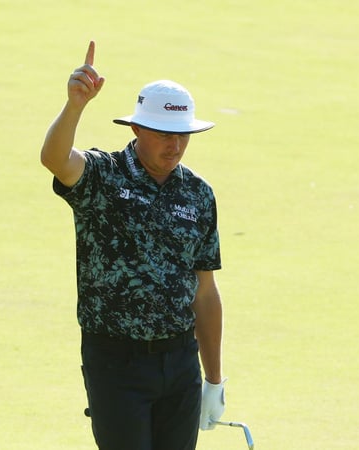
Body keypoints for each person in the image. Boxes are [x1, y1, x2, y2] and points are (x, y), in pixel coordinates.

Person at [40, 41, 227, 450]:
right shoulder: (103, 176)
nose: (174, 146)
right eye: (163, 133)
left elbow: (205, 291)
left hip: (179, 363)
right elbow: (56, 159)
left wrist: (213, 378)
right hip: (115, 363)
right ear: (137, 128)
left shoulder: (198, 193)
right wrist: (75, 106)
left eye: (182, 135)